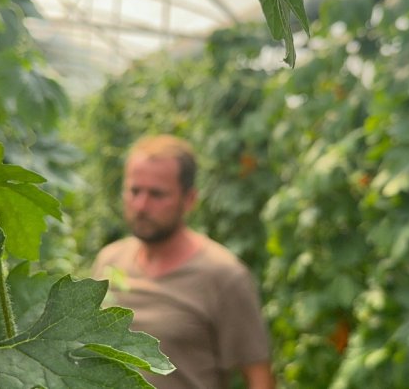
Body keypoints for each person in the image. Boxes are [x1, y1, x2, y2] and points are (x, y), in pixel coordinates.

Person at [91, 134, 275, 389]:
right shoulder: (108, 261)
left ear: (189, 200)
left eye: (157, 194)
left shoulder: (223, 276)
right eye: (134, 191)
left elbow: (258, 377)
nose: (141, 205)